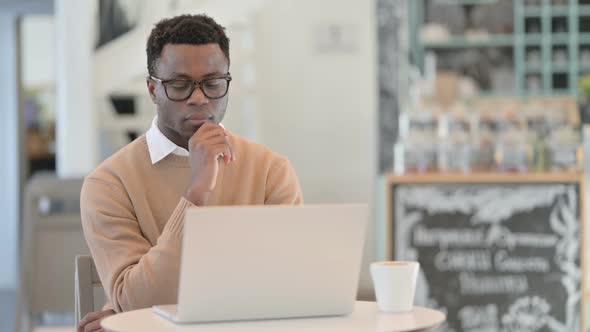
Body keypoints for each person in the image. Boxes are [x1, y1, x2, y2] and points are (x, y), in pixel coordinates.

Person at [77, 14, 303, 332]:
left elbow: (288, 290)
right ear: (153, 89)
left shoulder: (271, 171)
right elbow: (140, 301)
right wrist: (196, 192)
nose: (199, 98)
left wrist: (133, 313)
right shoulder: (109, 184)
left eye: (212, 83)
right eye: (180, 85)